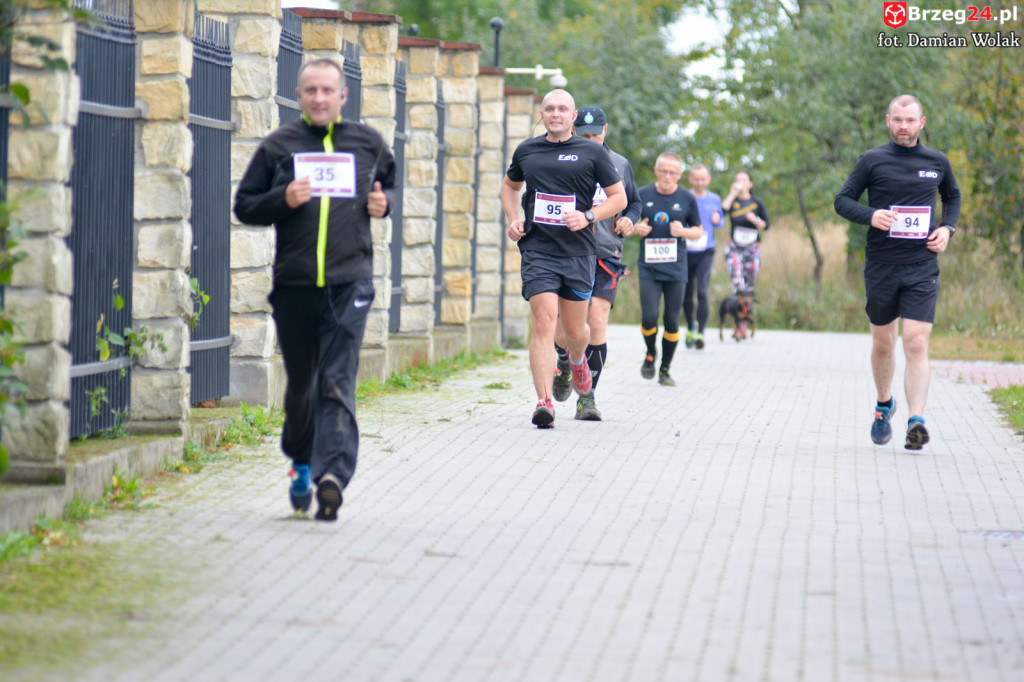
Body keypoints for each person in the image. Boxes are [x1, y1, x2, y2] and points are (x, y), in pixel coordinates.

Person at [234, 58, 397, 520]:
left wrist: (384, 204)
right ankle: (302, 463)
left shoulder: (368, 143)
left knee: (337, 380)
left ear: (343, 96)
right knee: (303, 388)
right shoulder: (279, 146)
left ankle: (332, 477)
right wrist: (281, 199)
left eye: (328, 90)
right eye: (311, 91)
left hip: (350, 282)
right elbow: (245, 205)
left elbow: (390, 186)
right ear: (299, 96)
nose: (320, 98)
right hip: (296, 285)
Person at [834, 94, 960, 451]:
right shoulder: (872, 160)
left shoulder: (937, 161)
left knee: (916, 341)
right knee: (883, 343)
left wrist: (947, 229)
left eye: (910, 120)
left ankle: (916, 420)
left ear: (922, 123)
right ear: (888, 121)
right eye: (898, 120)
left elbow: (952, 197)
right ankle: (884, 403)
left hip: (922, 265)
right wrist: (871, 215)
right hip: (882, 265)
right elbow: (842, 201)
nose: (904, 127)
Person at [503, 90, 627, 428]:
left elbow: (618, 198)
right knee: (544, 323)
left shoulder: (592, 152)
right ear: (541, 114)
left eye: (562, 109)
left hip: (578, 253)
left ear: (573, 116)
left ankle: (576, 360)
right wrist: (513, 218)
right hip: (538, 250)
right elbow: (510, 186)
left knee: (576, 330)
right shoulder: (527, 150)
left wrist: (588, 216)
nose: (555, 114)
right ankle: (544, 402)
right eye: (549, 108)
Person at [551, 104, 642, 421]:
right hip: (570, 252)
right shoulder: (562, 160)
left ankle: (586, 398)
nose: (590, 141)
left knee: (597, 320)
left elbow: (634, 202)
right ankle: (565, 361)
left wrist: (630, 220)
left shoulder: (620, 164)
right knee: (566, 330)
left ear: (605, 131)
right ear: (574, 131)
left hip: (606, 253)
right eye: (584, 135)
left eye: (595, 135)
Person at [634, 152, 704, 386]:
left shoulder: (687, 198)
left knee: (672, 321)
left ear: (680, 175)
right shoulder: (642, 194)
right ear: (656, 171)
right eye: (663, 171)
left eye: (672, 173)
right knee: (649, 317)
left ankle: (665, 369)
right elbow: (623, 224)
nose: (667, 176)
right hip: (649, 268)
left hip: (676, 268)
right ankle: (650, 353)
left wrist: (683, 232)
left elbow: (698, 230)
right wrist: (636, 229)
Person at [682, 163, 723, 350]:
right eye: (696, 179)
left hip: (706, 250)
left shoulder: (714, 198)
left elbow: (720, 221)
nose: (699, 182)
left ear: (708, 180)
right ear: (690, 179)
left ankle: (701, 333)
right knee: (687, 293)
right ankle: (691, 325)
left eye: (703, 179)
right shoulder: (684, 196)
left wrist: (717, 220)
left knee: (702, 291)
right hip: (686, 250)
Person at [721, 171, 770, 294]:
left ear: (750, 184)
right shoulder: (733, 201)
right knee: (737, 279)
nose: (740, 183)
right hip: (735, 246)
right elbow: (722, 212)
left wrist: (755, 220)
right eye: (738, 180)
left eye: (744, 180)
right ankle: (737, 300)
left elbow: (766, 225)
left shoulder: (757, 202)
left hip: (752, 246)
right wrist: (732, 194)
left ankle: (746, 303)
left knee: (750, 280)